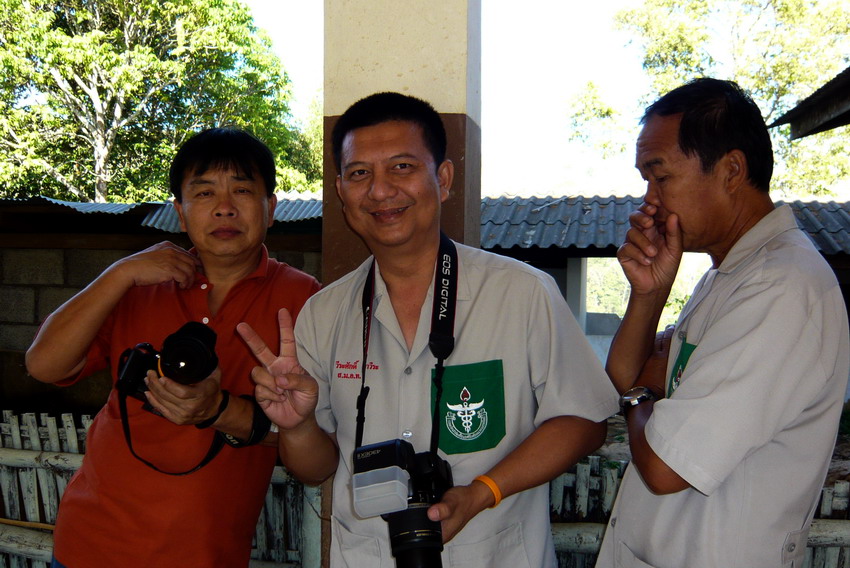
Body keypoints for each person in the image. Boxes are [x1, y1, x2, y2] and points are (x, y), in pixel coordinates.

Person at [236, 91, 619, 568]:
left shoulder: (522, 293)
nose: (380, 191)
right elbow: (314, 468)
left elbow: (584, 420)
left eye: (402, 167)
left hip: (493, 555)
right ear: (340, 191)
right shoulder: (323, 313)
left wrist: (483, 491)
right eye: (360, 173)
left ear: (444, 179)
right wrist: (297, 426)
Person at [25, 127, 321, 568]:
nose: (224, 207)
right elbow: (43, 365)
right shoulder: (140, 283)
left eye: (242, 190)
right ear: (180, 213)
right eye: (204, 193)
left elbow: (318, 444)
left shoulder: (305, 299)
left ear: (271, 208)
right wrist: (120, 273)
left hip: (205, 554)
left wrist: (218, 410)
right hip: (89, 545)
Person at [596, 78, 850, 567]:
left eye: (660, 176)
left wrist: (647, 392)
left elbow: (664, 466)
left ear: (732, 170)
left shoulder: (781, 287)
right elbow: (623, 376)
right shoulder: (729, 275)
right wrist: (649, 295)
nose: (648, 201)